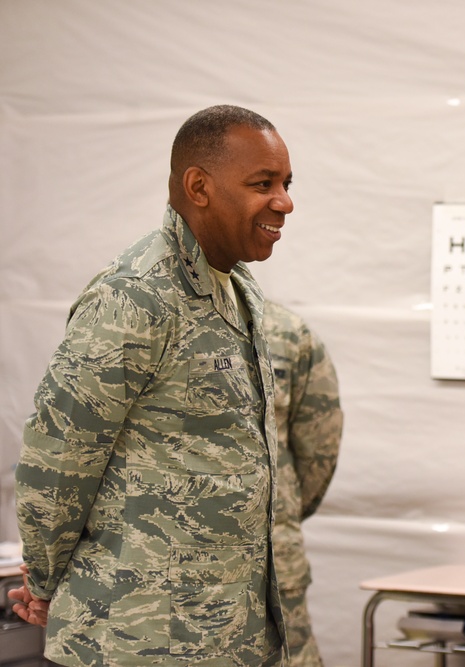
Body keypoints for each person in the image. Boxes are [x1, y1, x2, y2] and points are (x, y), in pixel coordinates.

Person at [10, 104, 294, 665]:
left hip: (228, 632)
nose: (284, 201)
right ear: (199, 187)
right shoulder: (136, 297)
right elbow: (59, 455)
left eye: (285, 183)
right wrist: (43, 577)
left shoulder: (236, 286)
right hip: (141, 638)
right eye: (263, 184)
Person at [263, 299, 343, 667]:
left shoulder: (288, 333)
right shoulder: (130, 312)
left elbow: (318, 446)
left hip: (271, 567)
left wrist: (280, 511)